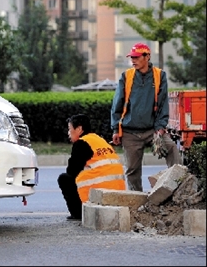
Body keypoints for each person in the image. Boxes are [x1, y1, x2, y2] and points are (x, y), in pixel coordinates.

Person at [111, 42, 182, 192]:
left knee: (171, 149)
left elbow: (163, 104)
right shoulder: (126, 76)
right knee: (132, 171)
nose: (133, 60)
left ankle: (178, 188)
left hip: (152, 131)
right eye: (132, 57)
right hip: (130, 132)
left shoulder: (159, 76)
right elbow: (117, 104)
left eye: (137, 57)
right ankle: (136, 201)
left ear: (147, 57)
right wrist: (116, 129)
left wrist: (160, 129)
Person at [57, 114, 126, 220]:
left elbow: (71, 171)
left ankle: (78, 214)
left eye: (69, 129)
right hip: (118, 190)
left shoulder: (82, 143)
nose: (68, 133)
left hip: (101, 190)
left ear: (79, 129)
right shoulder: (99, 140)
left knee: (64, 179)